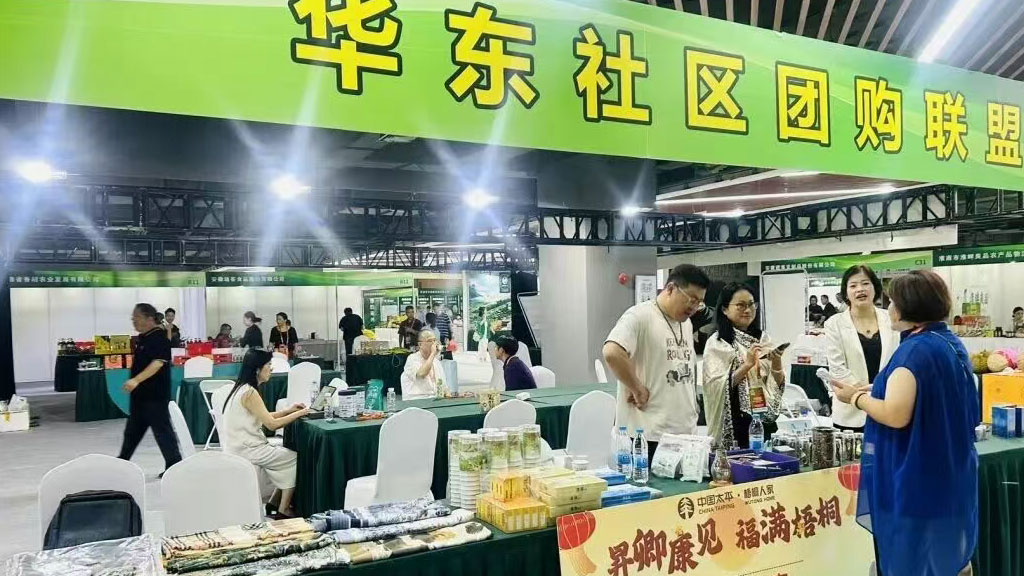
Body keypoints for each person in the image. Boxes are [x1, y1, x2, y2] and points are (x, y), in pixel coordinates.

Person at [830, 270, 977, 576]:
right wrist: (879, 388)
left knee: (912, 555)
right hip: (948, 466)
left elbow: (896, 414)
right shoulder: (948, 342)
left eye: (893, 301)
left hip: (914, 472)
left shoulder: (913, 351)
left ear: (909, 307)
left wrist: (855, 398)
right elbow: (928, 392)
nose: (890, 307)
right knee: (946, 552)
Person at [603, 264, 709, 459]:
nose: (694, 308)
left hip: (685, 433)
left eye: (699, 303)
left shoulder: (685, 323)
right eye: (691, 300)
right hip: (649, 435)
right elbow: (612, 352)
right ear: (671, 289)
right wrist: (636, 387)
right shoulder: (640, 316)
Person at [221, 349, 309, 518]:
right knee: (295, 459)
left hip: (238, 447)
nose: (271, 368)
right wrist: (301, 413)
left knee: (286, 458)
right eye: (268, 365)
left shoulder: (240, 388)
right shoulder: (250, 393)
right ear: (257, 369)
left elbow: (264, 416)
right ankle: (283, 509)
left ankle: (274, 503)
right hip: (249, 450)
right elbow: (271, 424)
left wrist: (289, 410)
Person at [702, 283, 785, 449]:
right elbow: (715, 386)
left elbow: (775, 386)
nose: (748, 310)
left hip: (762, 417)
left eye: (751, 304)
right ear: (725, 309)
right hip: (736, 421)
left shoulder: (763, 339)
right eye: (740, 305)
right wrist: (747, 365)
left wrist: (776, 362)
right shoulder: (718, 342)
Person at [824, 265, 899, 431]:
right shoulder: (834, 324)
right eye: (853, 285)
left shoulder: (891, 319)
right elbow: (837, 369)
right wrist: (865, 397)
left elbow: (898, 362)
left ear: (875, 288)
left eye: (865, 283)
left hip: (887, 407)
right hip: (849, 413)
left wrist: (878, 392)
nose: (860, 289)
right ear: (846, 293)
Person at [117, 303, 182, 473]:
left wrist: (136, 380)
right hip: (140, 397)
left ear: (150, 319)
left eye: (137, 318)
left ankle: (175, 466)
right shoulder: (143, 338)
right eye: (133, 318)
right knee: (132, 433)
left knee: (163, 432)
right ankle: (121, 464)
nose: (134, 321)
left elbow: (158, 363)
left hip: (155, 396)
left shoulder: (159, 338)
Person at [401, 330, 444, 399]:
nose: (434, 344)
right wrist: (433, 354)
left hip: (434, 399)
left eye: (434, 340)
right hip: (416, 400)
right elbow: (421, 374)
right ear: (420, 344)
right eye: (430, 341)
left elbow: (443, 385)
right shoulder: (412, 358)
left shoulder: (436, 362)